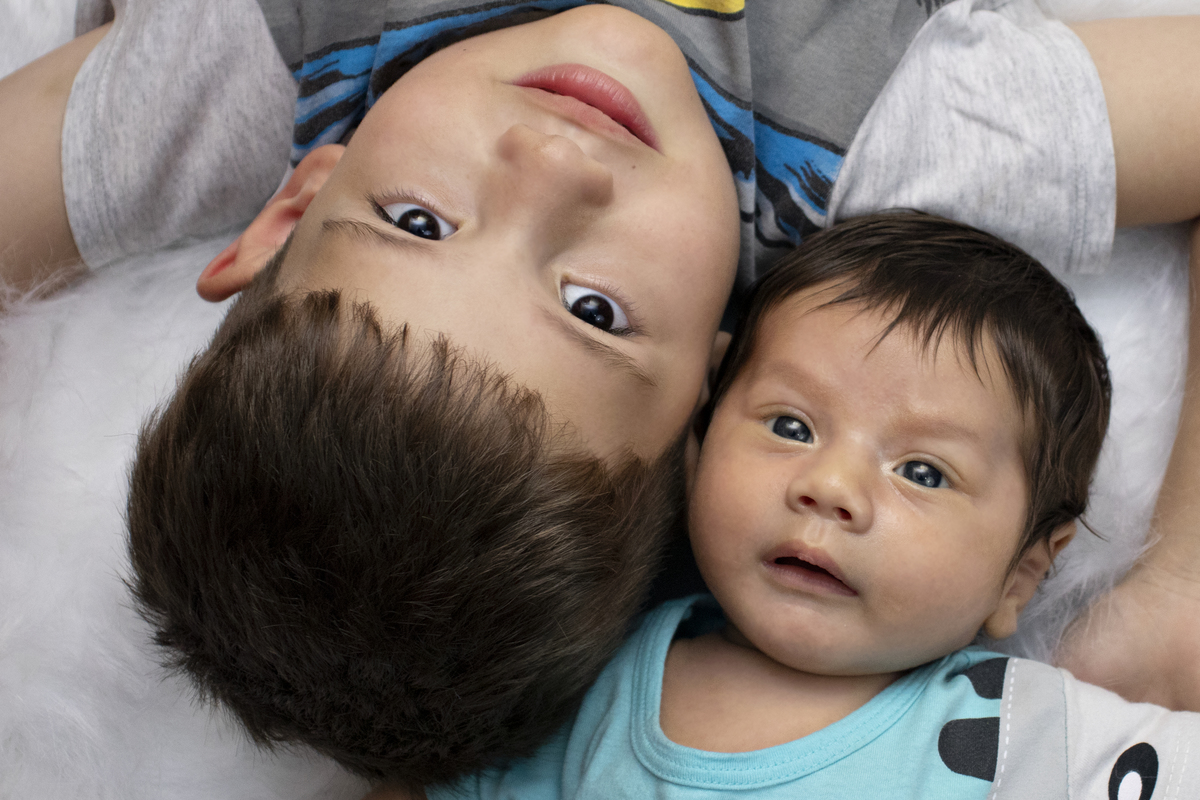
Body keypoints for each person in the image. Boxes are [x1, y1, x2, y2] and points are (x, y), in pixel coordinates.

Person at [1, 0, 1198, 790]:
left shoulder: (301, 41)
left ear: (290, 211)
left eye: (418, 221)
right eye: (595, 310)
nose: (555, 159)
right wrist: (1182, 577)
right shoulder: (894, 146)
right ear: (712, 396)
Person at [382, 212, 1200, 800]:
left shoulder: (1028, 740)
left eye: (923, 472)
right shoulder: (578, 673)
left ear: (1020, 578)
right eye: (789, 425)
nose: (831, 489)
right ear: (699, 438)